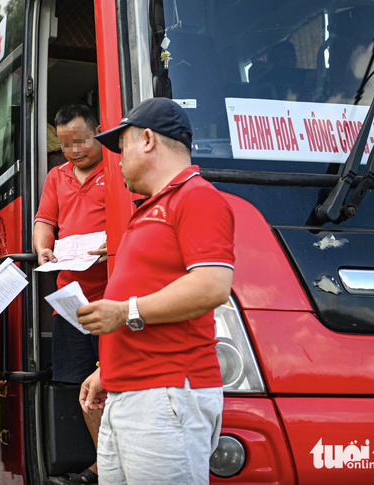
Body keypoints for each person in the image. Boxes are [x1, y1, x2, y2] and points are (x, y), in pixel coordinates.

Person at [77, 97, 235, 484]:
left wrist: (123, 312)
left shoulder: (195, 196)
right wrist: (107, 373)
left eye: (122, 146)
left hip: (165, 397)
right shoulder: (151, 207)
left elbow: (213, 285)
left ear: (148, 139)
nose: (116, 159)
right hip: (132, 395)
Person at [33, 102, 108, 484]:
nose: (75, 151)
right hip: (71, 302)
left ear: (99, 130)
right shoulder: (56, 177)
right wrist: (43, 246)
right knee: (81, 387)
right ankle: (104, 462)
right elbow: (45, 220)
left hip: (111, 299)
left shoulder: (117, 168)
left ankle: (118, 463)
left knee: (117, 383)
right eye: (65, 146)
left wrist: (114, 246)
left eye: (81, 141)